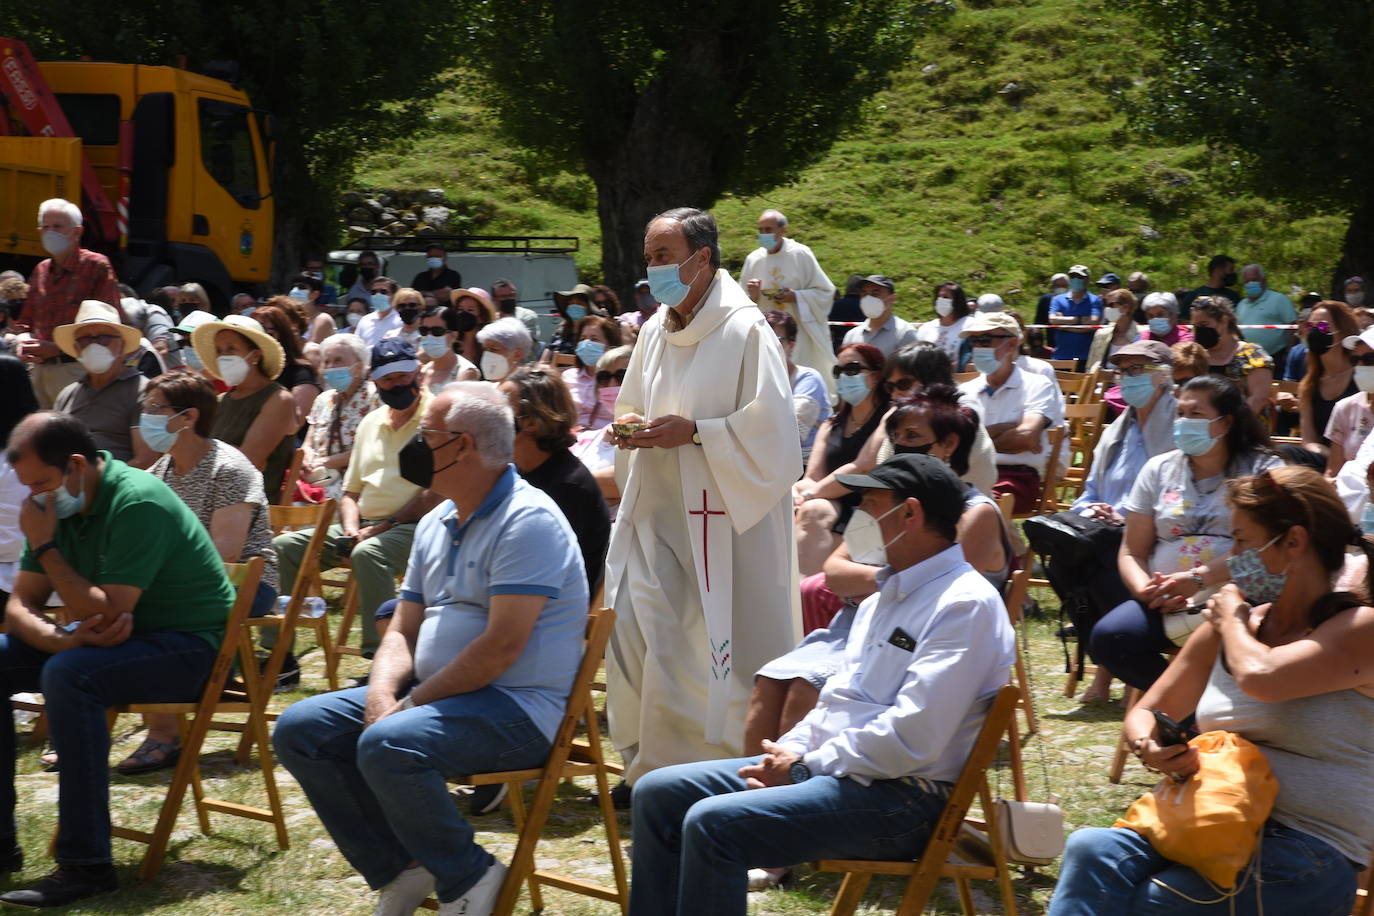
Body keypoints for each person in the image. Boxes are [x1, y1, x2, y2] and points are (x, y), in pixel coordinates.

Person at [629, 453, 1015, 916]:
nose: (856, 521)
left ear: (909, 513)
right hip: (843, 773)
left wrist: (803, 767)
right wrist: (785, 756)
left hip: (905, 798)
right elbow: (838, 704)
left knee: (713, 824)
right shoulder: (882, 597)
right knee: (657, 793)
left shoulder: (963, 605)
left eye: (870, 504)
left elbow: (914, 738)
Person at [273, 383, 588, 916]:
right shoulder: (438, 520)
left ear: (462, 445)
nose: (415, 445)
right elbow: (402, 628)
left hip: (517, 710)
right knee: (302, 730)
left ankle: (470, 877)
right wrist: (381, 696)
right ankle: (402, 868)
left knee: (390, 744)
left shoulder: (527, 520)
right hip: (441, 699)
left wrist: (407, 709)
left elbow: (500, 649)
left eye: (426, 436)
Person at [1051, 466, 1374, 916]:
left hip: (1308, 849)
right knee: (1091, 848)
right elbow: (1147, 711)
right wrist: (1149, 744)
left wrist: (1234, 622)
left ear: (1294, 543)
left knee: (1157, 901)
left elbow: (1262, 678)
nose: (1233, 558)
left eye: (1242, 542)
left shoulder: (1359, 629)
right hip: (1206, 822)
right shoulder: (1230, 627)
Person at [0, 412, 234, 908]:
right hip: (117, 645)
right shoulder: (53, 504)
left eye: (41, 483)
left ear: (77, 465)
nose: (35, 498)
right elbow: (18, 606)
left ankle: (87, 866)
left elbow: (105, 614)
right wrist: (58, 639)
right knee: (47, 661)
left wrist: (44, 546)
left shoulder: (136, 501)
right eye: (27, 487)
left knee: (70, 676)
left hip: (191, 649)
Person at [606, 207, 801, 786]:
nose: (653, 270)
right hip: (660, 512)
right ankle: (652, 768)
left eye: (664, 257)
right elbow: (630, 403)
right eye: (650, 258)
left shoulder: (746, 330)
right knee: (645, 630)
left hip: (727, 521)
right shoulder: (655, 330)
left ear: (703, 259)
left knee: (706, 648)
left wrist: (694, 433)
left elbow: (774, 436)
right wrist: (630, 427)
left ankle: (713, 768)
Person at [1089, 375, 1279, 690]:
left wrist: (1198, 579)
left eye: (1196, 414)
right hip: (1166, 599)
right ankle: (1181, 710)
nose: (1183, 422)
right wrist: (1148, 591)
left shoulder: (1260, 472)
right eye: (1180, 413)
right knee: (1110, 638)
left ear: (1225, 423)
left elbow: (1263, 548)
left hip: (1242, 593)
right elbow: (1132, 550)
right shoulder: (1158, 469)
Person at [134, 372, 280, 770]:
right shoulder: (160, 472)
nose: (145, 417)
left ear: (188, 417)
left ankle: (164, 735)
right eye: (144, 409)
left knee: (154, 613)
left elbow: (225, 555)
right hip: (186, 583)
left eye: (154, 409)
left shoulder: (229, 468)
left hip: (245, 584)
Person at [274, 339, 438, 658]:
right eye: (388, 379)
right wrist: (351, 530)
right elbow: (351, 492)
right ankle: (279, 652)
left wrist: (378, 529)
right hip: (363, 525)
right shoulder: (371, 422)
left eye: (404, 375)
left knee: (368, 554)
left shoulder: (436, 417)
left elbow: (436, 493)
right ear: (375, 381)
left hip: (417, 524)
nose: (398, 384)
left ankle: (380, 658)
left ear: (418, 372)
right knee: (285, 548)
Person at [1063, 341, 1180, 703]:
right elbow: (1090, 489)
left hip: (1159, 530)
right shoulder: (1118, 430)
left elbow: (1177, 489)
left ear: (1163, 376)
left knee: (1110, 562)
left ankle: (1121, 674)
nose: (1126, 378)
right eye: (1122, 371)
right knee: (1073, 560)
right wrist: (1089, 511)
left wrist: (1125, 517)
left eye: (1136, 370)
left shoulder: (1180, 424)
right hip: (1107, 530)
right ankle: (1107, 669)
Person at [501, 367, 610, 593]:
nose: (490, 417)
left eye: (500, 409)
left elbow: (540, 571)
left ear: (530, 422)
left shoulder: (569, 487)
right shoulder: (515, 472)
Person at [792, 343, 889, 575]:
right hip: (830, 501)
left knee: (812, 510)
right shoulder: (830, 424)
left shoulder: (890, 417)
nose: (844, 376)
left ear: (875, 377)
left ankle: (806, 596)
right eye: (838, 371)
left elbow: (863, 467)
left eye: (852, 369)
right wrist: (795, 493)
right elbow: (812, 476)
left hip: (870, 501)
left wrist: (810, 494)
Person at [958, 311, 1066, 514]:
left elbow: (1025, 437)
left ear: (1011, 344)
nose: (978, 347)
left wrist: (979, 442)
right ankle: (1008, 546)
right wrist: (1006, 429)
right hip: (971, 475)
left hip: (1016, 476)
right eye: (974, 341)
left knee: (975, 508)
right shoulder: (965, 391)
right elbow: (957, 445)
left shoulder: (1037, 384)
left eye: (985, 340)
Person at [18, 200, 122, 408]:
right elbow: (25, 323)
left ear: (77, 232)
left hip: (76, 370)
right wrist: (23, 343)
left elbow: (108, 327)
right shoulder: (40, 270)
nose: (50, 233)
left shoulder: (96, 266)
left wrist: (57, 349)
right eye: (45, 227)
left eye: (57, 226)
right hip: (38, 372)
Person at [191, 315, 298, 500]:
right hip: (209, 496)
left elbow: (247, 462)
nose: (223, 356)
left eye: (231, 349)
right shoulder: (221, 400)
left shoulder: (279, 399)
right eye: (219, 351)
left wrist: (207, 454)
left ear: (255, 355)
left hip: (252, 505)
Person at [738, 209, 838, 397]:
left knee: (800, 387)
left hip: (799, 334)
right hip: (766, 335)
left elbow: (826, 292)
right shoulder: (754, 259)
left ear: (782, 230)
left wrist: (797, 296)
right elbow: (740, 301)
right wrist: (753, 296)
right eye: (761, 230)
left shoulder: (800, 254)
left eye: (769, 229)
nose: (764, 234)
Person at [50, 300, 156, 467]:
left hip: (117, 488)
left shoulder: (143, 391)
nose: (94, 345)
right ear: (77, 349)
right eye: (85, 339)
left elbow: (147, 460)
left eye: (104, 338)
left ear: (121, 345)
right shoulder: (67, 395)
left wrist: (99, 485)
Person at [303, 334, 382, 501]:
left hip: (354, 487)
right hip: (317, 481)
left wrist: (326, 462)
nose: (331, 367)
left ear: (359, 366)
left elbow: (372, 449)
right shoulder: (323, 399)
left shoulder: (376, 398)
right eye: (327, 362)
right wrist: (306, 455)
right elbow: (309, 441)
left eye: (338, 360)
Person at [1192, 296, 1275, 420]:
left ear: (1224, 322)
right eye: (1196, 326)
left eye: (1204, 324)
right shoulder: (1197, 357)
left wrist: (1228, 429)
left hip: (1244, 431)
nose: (1199, 331)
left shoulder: (1252, 354)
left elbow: (1258, 400)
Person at [571, 346, 631, 514]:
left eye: (622, 376)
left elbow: (628, 481)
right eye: (603, 378)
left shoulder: (652, 432)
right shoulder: (588, 437)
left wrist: (571, 486)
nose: (611, 385)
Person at [1292, 300, 1360, 450]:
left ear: (1342, 332)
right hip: (1320, 459)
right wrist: (1325, 456)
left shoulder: (1361, 378)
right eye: (1310, 327)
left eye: (1322, 326)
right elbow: (1308, 440)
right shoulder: (1308, 385)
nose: (1314, 332)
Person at [765, 310, 830, 462]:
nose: (767, 345)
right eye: (761, 339)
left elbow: (792, 431)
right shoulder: (751, 379)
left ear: (791, 345)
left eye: (776, 340)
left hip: (806, 464)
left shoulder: (808, 379)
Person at [0, 358, 38, 605]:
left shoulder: (9, 464)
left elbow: (12, 545)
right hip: (50, 577)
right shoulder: (49, 451)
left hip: (13, 583)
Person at [252, 302, 323, 434]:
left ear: (281, 335)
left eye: (265, 331)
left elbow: (295, 423)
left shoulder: (301, 373)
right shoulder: (252, 372)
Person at [1326, 326, 1374, 478]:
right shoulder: (1344, 408)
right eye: (1354, 360)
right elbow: (1333, 471)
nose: (1360, 366)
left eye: (1369, 359)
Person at [562, 315, 624, 430]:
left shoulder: (619, 379)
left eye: (594, 339)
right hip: (573, 441)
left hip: (607, 440)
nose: (586, 344)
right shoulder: (568, 377)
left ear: (610, 346)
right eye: (582, 338)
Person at [841, 275, 919, 358]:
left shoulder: (905, 334)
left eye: (875, 293)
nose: (868, 298)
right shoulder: (852, 335)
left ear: (892, 299)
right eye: (864, 293)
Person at [1047, 264, 1103, 368]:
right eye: (1072, 277)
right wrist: (1079, 320)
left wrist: (1063, 325)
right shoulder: (1057, 299)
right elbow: (1052, 319)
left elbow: (1093, 322)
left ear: (1087, 280)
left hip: (1085, 358)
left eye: (1080, 277)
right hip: (1061, 356)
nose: (1076, 280)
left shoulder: (1095, 300)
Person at [416, 306, 480, 391]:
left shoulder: (466, 371)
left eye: (437, 331)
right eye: (423, 331)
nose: (429, 336)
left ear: (454, 335)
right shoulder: (421, 371)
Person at [914, 281, 972, 367]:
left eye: (945, 297)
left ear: (957, 301)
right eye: (938, 297)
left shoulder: (971, 325)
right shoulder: (926, 328)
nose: (941, 300)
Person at [1086, 288, 1142, 373]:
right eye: (1105, 304)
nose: (1107, 308)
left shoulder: (1141, 334)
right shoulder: (1101, 334)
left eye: (1111, 305)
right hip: (1101, 383)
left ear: (1126, 308)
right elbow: (1090, 366)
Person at [1178, 253, 1240, 317]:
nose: (1233, 273)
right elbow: (1185, 323)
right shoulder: (1193, 296)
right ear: (1218, 271)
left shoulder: (1234, 297)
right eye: (1231, 269)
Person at [490, 279, 541, 356]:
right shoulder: (491, 318)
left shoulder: (527, 316)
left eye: (511, 295)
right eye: (504, 296)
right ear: (494, 299)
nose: (509, 299)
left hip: (522, 363)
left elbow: (524, 345)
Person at [452, 288, 497, 371]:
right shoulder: (449, 341)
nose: (464, 314)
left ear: (482, 317)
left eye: (470, 310)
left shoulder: (490, 346)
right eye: (460, 309)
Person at [476, 317, 531, 383]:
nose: (488, 355)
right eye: (485, 349)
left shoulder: (530, 388)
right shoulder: (486, 388)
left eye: (494, 349)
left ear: (517, 354)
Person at [355, 276, 403, 348]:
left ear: (394, 295)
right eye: (373, 292)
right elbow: (357, 347)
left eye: (383, 291)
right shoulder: (365, 320)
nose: (378, 295)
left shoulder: (400, 320)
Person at [289, 275, 337, 344]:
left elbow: (311, 348)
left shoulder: (323, 319)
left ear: (315, 294)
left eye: (302, 287)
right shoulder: (292, 318)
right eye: (293, 287)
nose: (295, 290)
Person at [828, 275, 866, 353]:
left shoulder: (834, 305)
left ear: (847, 288)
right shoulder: (868, 307)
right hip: (863, 346)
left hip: (838, 348)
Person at [1034, 272, 1070, 345]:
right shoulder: (1045, 300)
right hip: (1052, 343)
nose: (1060, 288)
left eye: (1063, 285)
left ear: (1068, 286)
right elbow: (1038, 323)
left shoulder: (1074, 299)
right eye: (1057, 285)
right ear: (1052, 286)